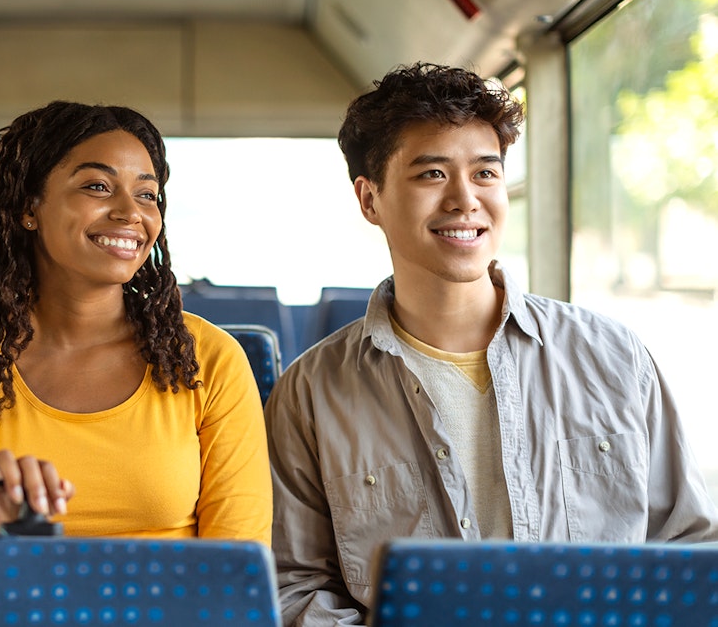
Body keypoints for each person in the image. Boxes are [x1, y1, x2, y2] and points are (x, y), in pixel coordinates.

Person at [264, 62, 718, 625]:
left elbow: (689, 548)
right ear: (370, 199)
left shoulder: (614, 359)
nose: (464, 200)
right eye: (432, 175)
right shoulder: (312, 393)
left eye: (485, 173)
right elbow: (296, 586)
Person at [0, 101, 272, 546]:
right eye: (98, 186)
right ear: (28, 207)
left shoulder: (208, 360)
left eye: (147, 194)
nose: (130, 212)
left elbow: (238, 573)